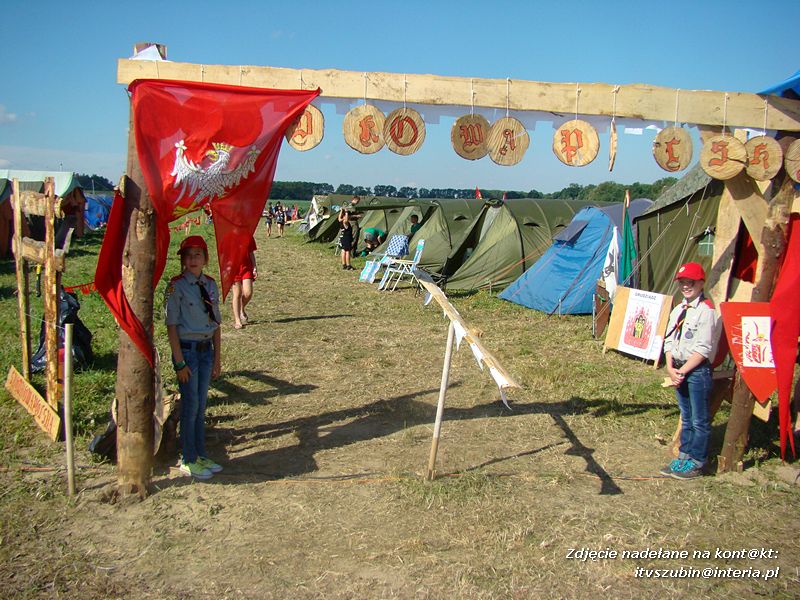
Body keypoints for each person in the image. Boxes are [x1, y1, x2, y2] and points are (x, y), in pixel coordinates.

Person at [165, 235, 223, 480]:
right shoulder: (176, 286)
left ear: (205, 258)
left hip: (206, 350)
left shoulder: (210, 284)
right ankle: (188, 459)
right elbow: (171, 326)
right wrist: (179, 362)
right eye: (188, 255)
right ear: (182, 260)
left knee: (201, 406)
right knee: (190, 406)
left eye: (198, 255)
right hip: (187, 351)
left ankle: (200, 454)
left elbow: (216, 324)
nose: (193, 259)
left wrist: (217, 358)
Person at [660, 262, 719, 480]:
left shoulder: (706, 311)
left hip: (696, 371)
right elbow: (669, 339)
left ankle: (697, 461)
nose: (685, 286)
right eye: (682, 282)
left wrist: (682, 371)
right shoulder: (679, 310)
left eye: (690, 282)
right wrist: (670, 366)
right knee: (686, 417)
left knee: (698, 420)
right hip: (678, 368)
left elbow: (703, 349)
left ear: (701, 283)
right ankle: (684, 456)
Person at [231, 235, 257, 329]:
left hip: (246, 268)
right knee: (237, 294)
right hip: (233, 269)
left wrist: (254, 266)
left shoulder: (248, 235)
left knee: (248, 293)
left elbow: (251, 253)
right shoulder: (228, 236)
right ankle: (237, 320)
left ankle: (241, 307)